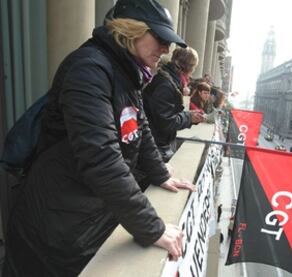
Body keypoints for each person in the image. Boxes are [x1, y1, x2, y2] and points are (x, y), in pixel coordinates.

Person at [3, 0, 195, 276]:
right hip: (55, 219)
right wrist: (152, 227)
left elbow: (138, 127)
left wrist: (159, 174)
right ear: (131, 30)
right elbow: (101, 158)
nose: (167, 49)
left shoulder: (128, 73)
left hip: (84, 209)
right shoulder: (90, 68)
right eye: (161, 38)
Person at [143, 47, 205, 162]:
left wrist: (188, 115)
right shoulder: (166, 85)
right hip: (155, 146)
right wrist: (189, 117)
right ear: (190, 68)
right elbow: (166, 122)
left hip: (158, 143)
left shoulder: (169, 80)